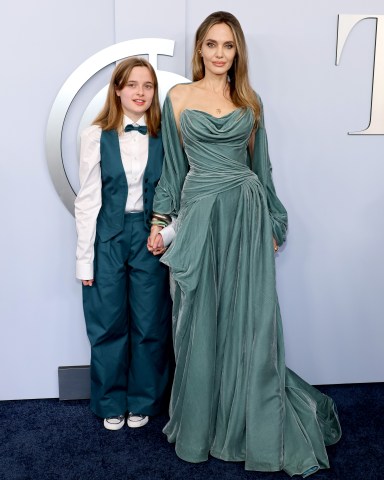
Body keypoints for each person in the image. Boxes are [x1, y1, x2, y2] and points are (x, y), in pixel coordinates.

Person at [147, 11, 341, 477]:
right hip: (199, 215)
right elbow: (173, 170)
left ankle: (247, 418)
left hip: (246, 215)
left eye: (228, 46)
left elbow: (262, 167)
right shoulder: (177, 97)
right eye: (211, 44)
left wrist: (274, 220)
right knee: (196, 318)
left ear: (237, 52)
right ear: (199, 49)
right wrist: (159, 220)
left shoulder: (251, 101)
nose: (219, 53)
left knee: (248, 320)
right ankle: (201, 424)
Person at [75, 57, 172, 431]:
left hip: (150, 238)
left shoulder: (167, 136)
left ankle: (144, 400)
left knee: (150, 323)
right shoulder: (95, 135)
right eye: (132, 85)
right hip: (108, 236)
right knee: (107, 323)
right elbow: (86, 200)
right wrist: (84, 261)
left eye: (147, 86)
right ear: (117, 89)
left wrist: (166, 233)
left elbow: (176, 193)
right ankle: (110, 401)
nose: (140, 93)